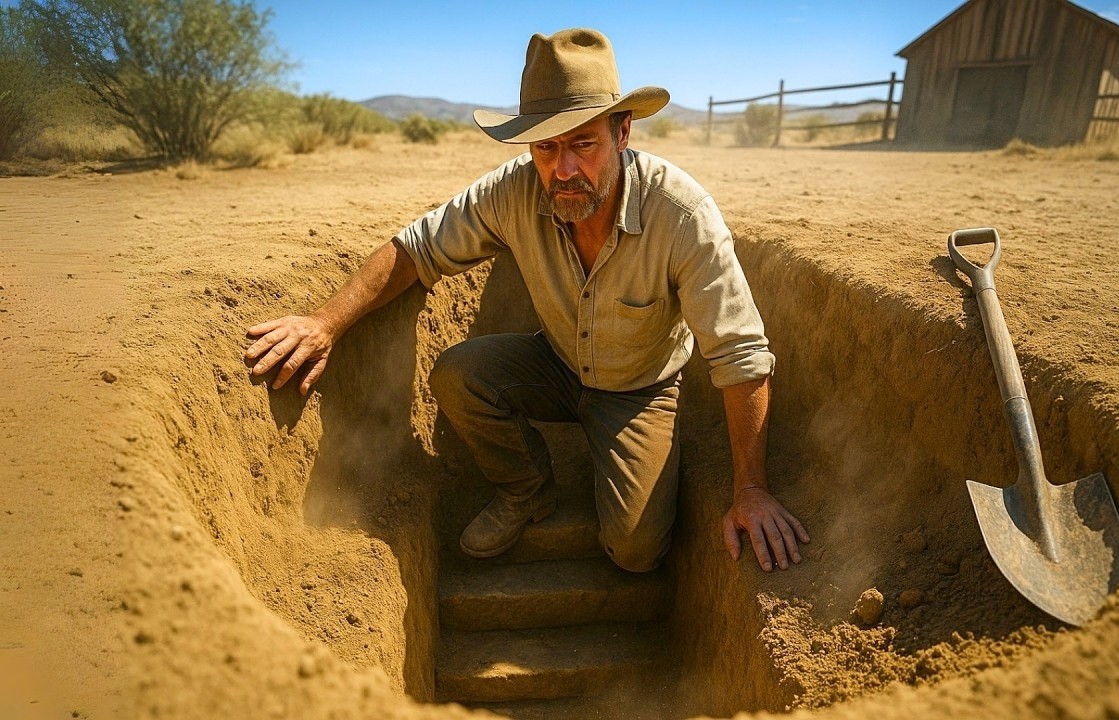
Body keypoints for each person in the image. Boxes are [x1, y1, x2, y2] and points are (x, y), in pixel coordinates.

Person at [244, 28, 808, 574]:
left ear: (623, 132)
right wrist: (325, 323)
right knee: (459, 375)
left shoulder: (682, 216)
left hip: (642, 388)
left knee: (636, 552)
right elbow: (414, 249)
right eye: (545, 146)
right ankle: (527, 490)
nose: (562, 169)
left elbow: (740, 354)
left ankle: (641, 462)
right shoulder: (514, 190)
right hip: (556, 364)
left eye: (583, 144)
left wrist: (751, 490)